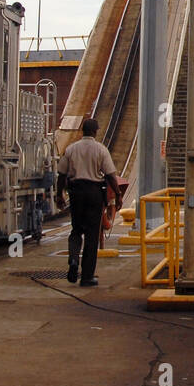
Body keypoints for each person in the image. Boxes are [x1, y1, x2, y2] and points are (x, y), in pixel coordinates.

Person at [56, 118, 119, 286]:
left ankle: (73, 259)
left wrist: (59, 195)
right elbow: (110, 175)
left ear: (82, 131)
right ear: (95, 131)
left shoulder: (71, 149)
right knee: (92, 236)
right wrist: (118, 195)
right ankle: (86, 277)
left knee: (76, 230)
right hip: (94, 194)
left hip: (76, 192)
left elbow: (61, 174)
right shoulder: (101, 150)